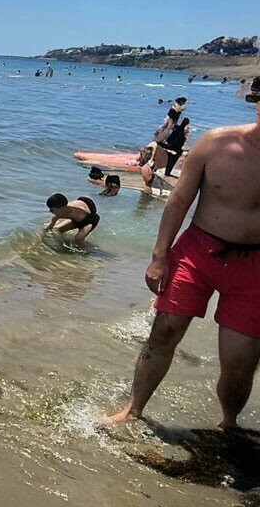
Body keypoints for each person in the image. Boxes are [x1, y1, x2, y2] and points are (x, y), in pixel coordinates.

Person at [108, 80, 260, 428]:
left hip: (255, 266)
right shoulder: (216, 144)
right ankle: (133, 409)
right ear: (257, 104)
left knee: (241, 360)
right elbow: (178, 201)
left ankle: (228, 423)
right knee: (164, 332)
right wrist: (159, 256)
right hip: (198, 252)